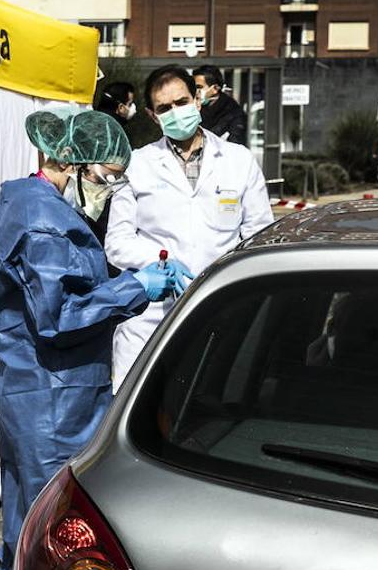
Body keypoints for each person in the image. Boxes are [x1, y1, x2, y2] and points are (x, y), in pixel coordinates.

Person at [0, 107, 181, 570]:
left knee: (28, 526)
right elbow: (57, 317)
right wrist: (136, 287)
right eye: (108, 175)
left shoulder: (46, 210)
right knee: (46, 536)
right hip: (51, 398)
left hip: (55, 392)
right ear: (72, 162)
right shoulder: (42, 220)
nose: (112, 187)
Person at [106, 65, 274, 389]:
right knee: (136, 405)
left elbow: (260, 235)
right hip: (151, 313)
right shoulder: (137, 164)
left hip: (221, 304)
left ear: (197, 99)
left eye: (181, 102)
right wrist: (162, 261)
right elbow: (117, 242)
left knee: (207, 407)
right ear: (152, 116)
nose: (175, 112)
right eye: (164, 109)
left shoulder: (238, 160)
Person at [90, 82, 139, 249]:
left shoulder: (90, 122)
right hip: (104, 198)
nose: (133, 109)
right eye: (130, 103)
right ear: (120, 107)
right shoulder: (115, 132)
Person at [192, 65, 247, 146]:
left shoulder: (234, 113)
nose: (196, 91)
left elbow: (234, 145)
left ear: (215, 88)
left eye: (199, 87)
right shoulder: (194, 108)